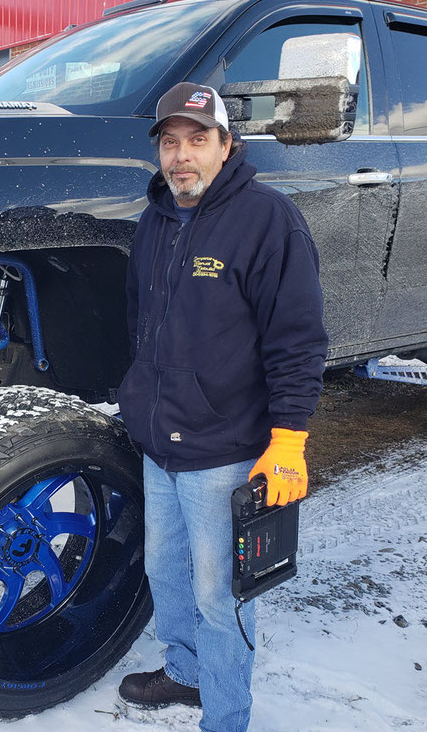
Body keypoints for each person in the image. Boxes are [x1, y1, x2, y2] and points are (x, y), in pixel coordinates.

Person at [116, 82, 328, 732]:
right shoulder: (154, 222)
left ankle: (227, 716)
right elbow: (142, 324)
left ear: (227, 145)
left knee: (222, 595)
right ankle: (186, 674)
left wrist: (288, 439)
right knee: (164, 574)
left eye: (197, 139)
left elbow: (298, 340)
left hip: (226, 453)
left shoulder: (267, 219)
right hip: (161, 446)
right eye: (171, 142)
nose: (182, 156)